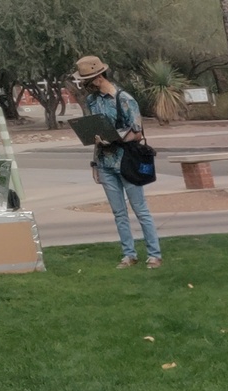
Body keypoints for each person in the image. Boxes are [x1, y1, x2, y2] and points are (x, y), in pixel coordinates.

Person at [74, 56, 161, 269]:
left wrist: (115, 140)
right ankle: (128, 254)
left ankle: (154, 254)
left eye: (87, 80)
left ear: (97, 77)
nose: (85, 85)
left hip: (126, 160)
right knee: (119, 212)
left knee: (140, 209)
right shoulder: (92, 101)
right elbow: (94, 129)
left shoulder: (124, 99)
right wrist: (95, 163)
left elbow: (137, 132)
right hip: (105, 163)